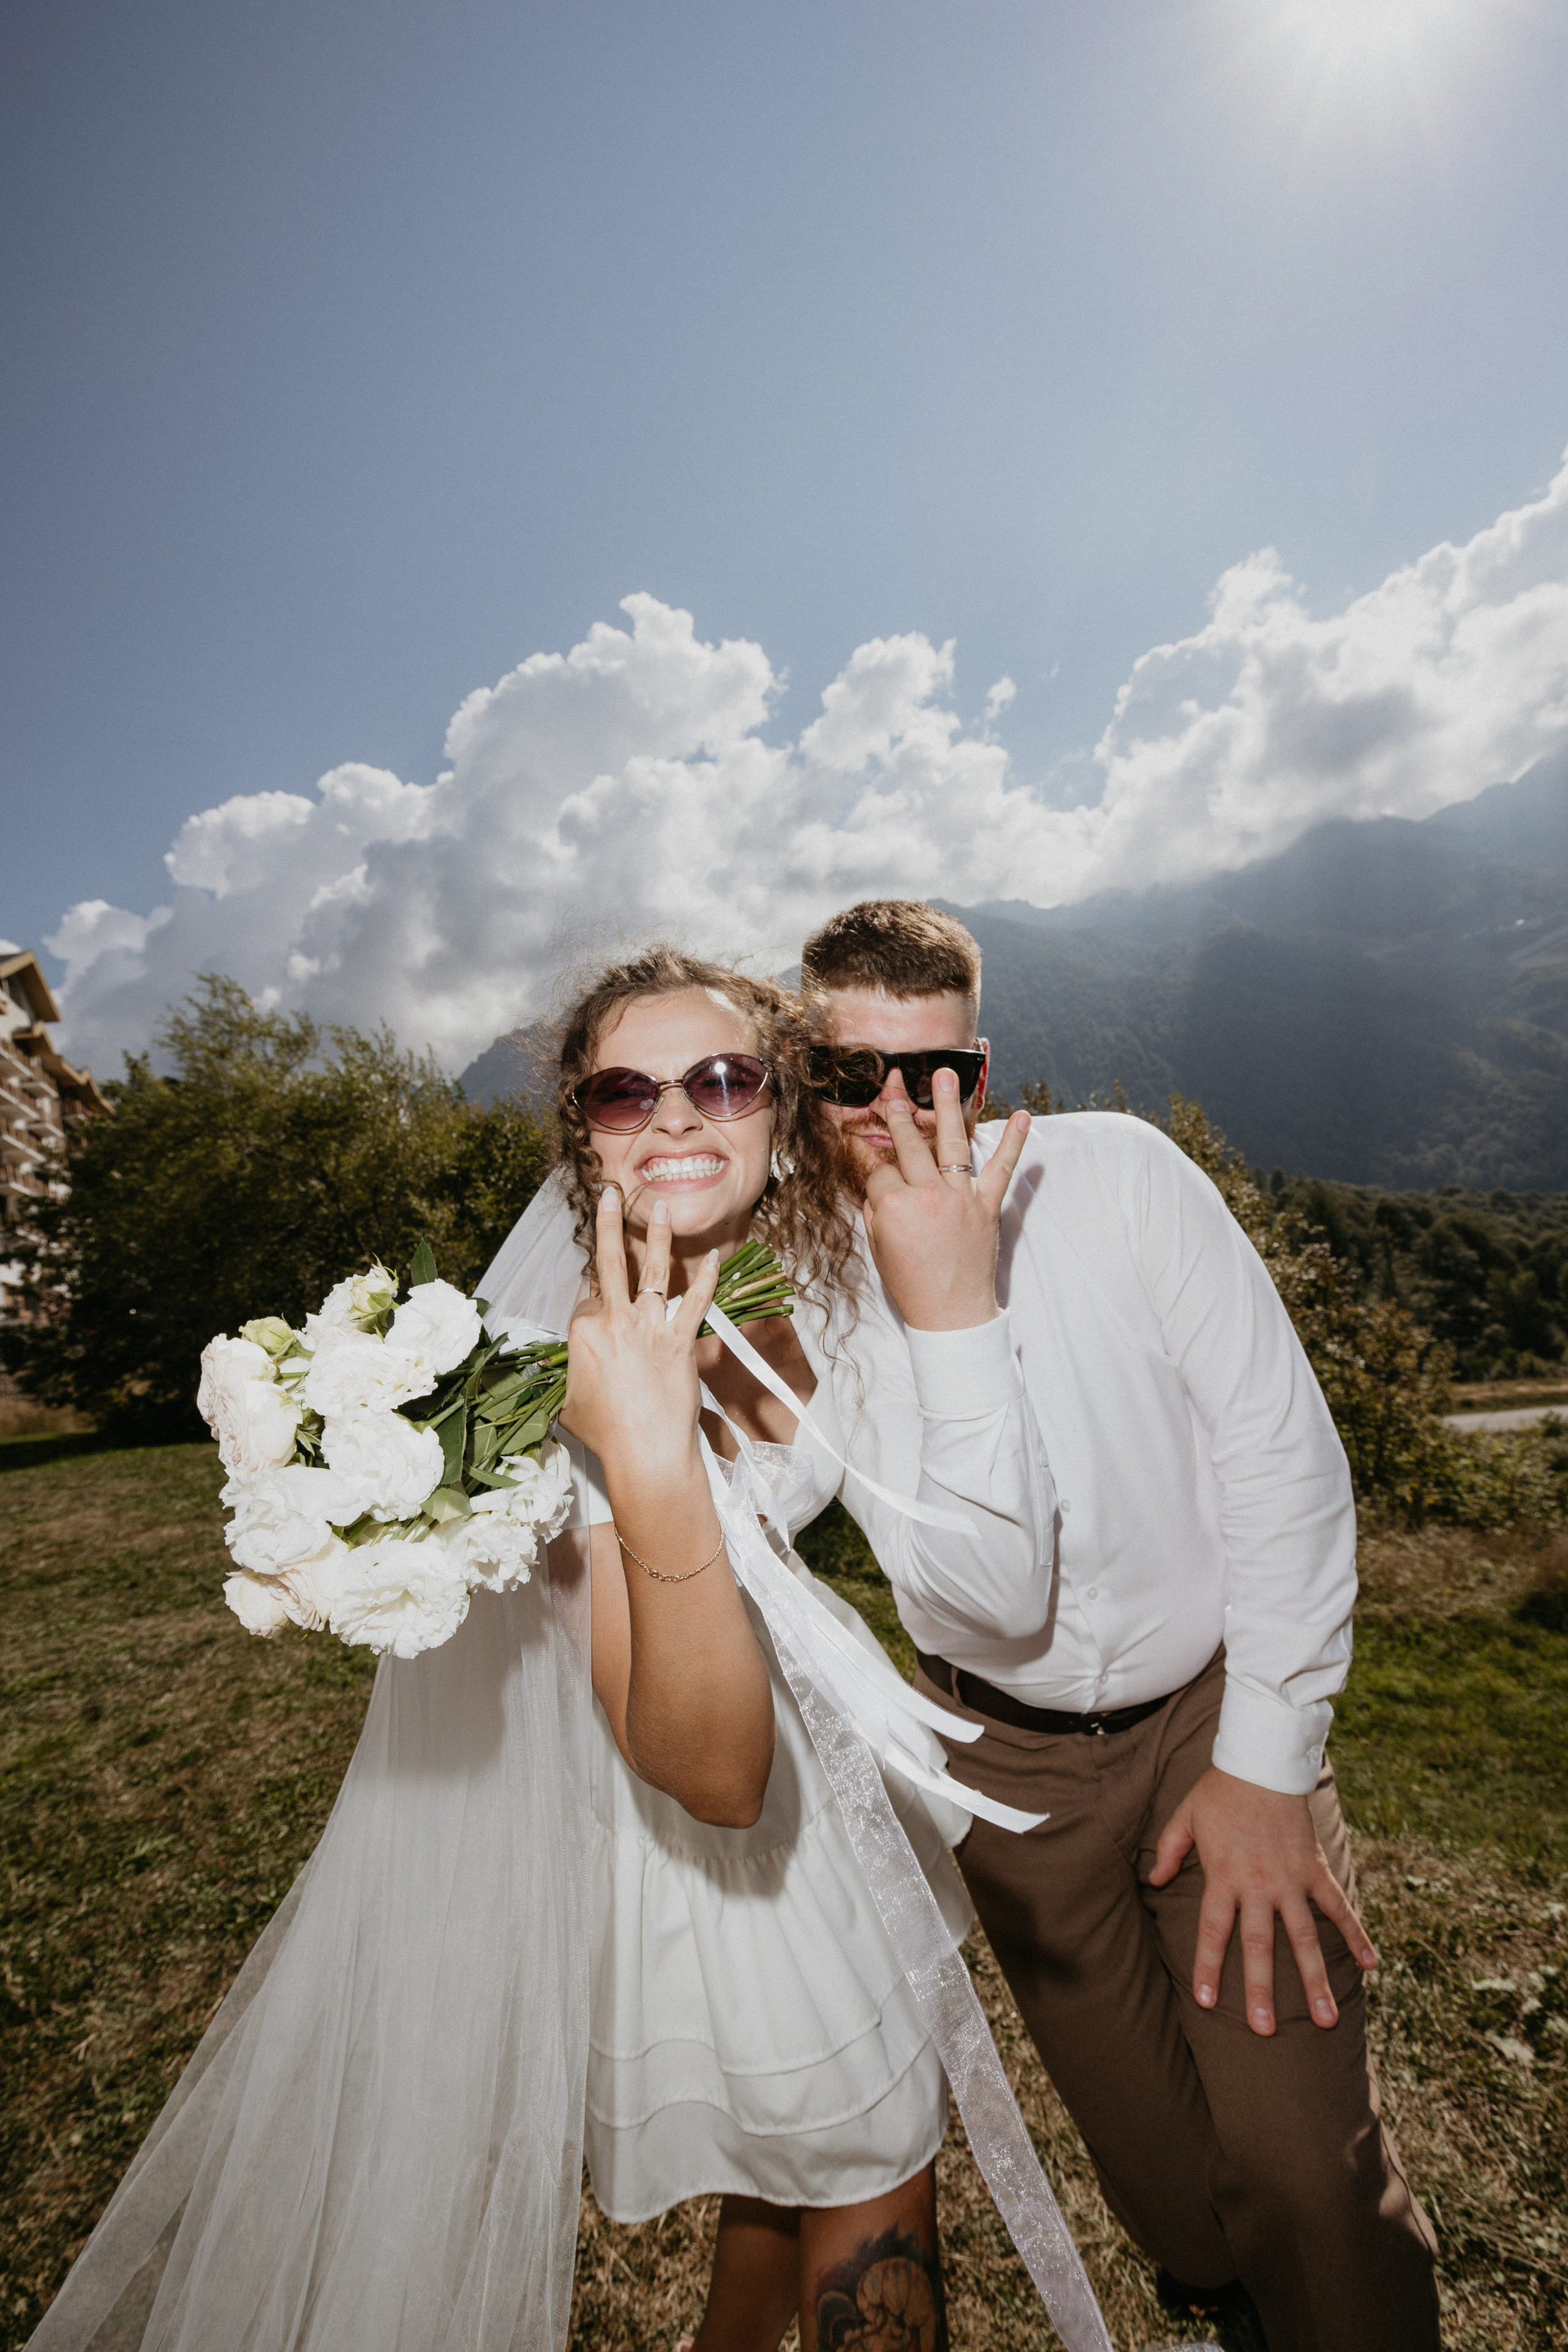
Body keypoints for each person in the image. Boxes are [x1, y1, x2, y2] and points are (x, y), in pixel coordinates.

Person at [797, 897, 1442, 2352]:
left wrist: (1268, 1763)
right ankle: (1224, 2317)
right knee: (1157, 2174)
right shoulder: (798, 1282)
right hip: (996, 1767)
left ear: (983, 1063)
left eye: (935, 1075)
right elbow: (765, 1504)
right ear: (801, 1076)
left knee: (1300, 2164)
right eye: (849, 1079)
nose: (896, 1115)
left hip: (1210, 1714)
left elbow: (1283, 1456)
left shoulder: (1127, 1178)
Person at [480, 946, 1052, 2352]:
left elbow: (983, 1567)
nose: (674, 1117)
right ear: (585, 1136)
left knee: (783, 2171)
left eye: (720, 1080)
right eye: (625, 1093)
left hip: (820, 1779)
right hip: (713, 1842)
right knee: (872, 2163)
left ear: (778, 1109)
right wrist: (647, 1458)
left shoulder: (792, 1277)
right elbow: (710, 1773)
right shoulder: (547, 1369)